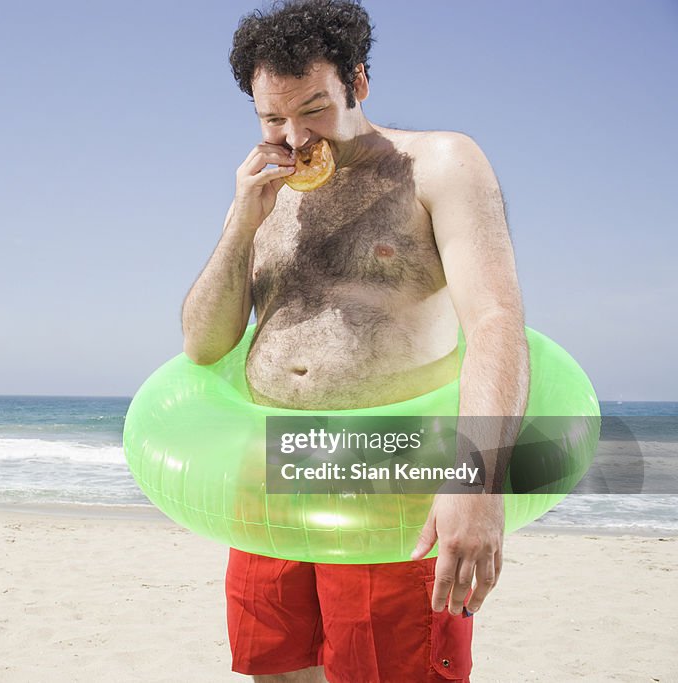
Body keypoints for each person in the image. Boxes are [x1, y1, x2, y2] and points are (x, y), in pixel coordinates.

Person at [180, 1, 531, 681]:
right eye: (273, 118)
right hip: (272, 469)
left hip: (387, 470)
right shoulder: (264, 187)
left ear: (359, 82)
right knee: (276, 669)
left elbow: (495, 319)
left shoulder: (439, 163)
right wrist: (240, 223)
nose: (294, 133)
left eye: (314, 109)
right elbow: (203, 344)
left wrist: (477, 479)